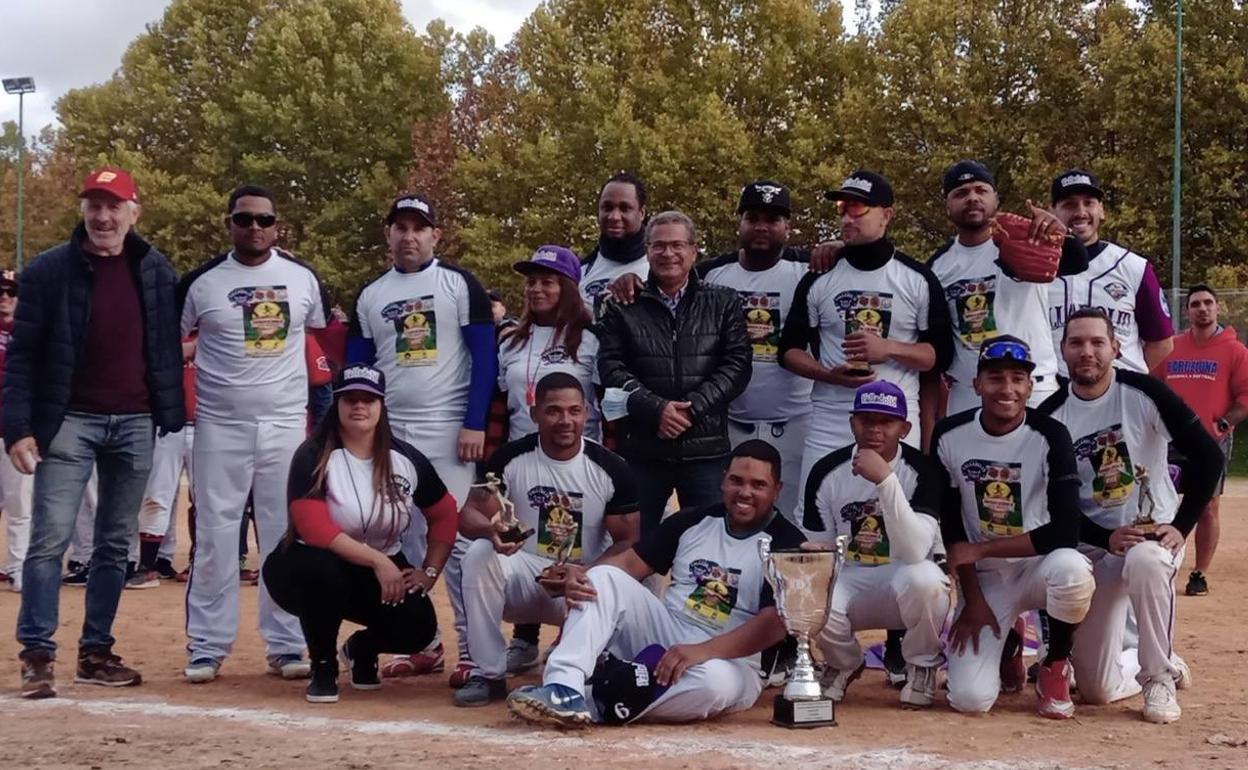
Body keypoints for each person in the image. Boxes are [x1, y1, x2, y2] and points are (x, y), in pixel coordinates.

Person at [6, 167, 185, 698]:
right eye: (94, 206)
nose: (103, 217)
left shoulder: (155, 270)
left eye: (114, 206)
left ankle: (95, 652)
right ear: (83, 210)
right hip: (69, 422)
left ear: (135, 212)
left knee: (114, 545)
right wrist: (17, 428)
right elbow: (22, 358)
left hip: (134, 421)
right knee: (48, 542)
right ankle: (37, 655)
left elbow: (164, 349)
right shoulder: (47, 272)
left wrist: (166, 412)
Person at [506, 440, 805, 727]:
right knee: (602, 577)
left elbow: (772, 625)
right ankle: (564, 688)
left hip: (730, 659)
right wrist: (579, 574)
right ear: (723, 480)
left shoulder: (788, 544)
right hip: (666, 631)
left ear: (777, 490)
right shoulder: (692, 521)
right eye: (737, 481)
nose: (744, 492)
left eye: (758, 485)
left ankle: (595, 700)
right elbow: (628, 565)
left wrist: (702, 650)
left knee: (715, 686)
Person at [1040, 308, 1220, 723]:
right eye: (1077, 343)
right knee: (1097, 691)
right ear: (1063, 351)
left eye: (1097, 342)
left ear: (1116, 349)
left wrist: (1181, 524)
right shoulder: (1050, 418)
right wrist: (1104, 539)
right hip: (1094, 549)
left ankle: (1158, 677)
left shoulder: (1144, 392)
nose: (1087, 352)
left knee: (1148, 560)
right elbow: (1053, 505)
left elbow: (1208, 457)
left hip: (1149, 536)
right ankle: (1161, 661)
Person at [178, 184, 328, 683]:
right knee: (216, 538)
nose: (255, 228)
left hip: (286, 424)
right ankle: (206, 645)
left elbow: (316, 344)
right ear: (230, 224)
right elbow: (175, 343)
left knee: (285, 536)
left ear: (276, 225)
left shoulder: (303, 278)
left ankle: (286, 644)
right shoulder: (201, 283)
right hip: (221, 425)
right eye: (245, 220)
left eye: (264, 220)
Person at [347, 193, 496, 685]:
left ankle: (473, 651)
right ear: (387, 235)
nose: (409, 236)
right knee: (404, 541)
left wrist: (475, 421)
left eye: (419, 228)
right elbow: (358, 370)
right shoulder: (370, 295)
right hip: (391, 431)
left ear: (436, 235)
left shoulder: (458, 284)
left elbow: (484, 359)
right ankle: (424, 642)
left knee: (451, 541)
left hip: (447, 427)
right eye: (400, 227)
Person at [264, 364, 458, 703]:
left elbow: (444, 515)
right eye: (350, 399)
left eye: (368, 399)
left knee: (419, 626)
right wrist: (378, 561)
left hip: (376, 567)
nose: (359, 406)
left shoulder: (406, 458)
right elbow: (314, 528)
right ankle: (322, 665)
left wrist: (428, 573)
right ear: (336, 404)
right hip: (307, 566)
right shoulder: (314, 454)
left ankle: (361, 648)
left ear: (382, 406)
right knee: (324, 571)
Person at [931, 336, 1094, 719]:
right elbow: (953, 527)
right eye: (995, 378)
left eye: (1018, 379)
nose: (1007, 389)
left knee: (1073, 570)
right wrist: (972, 599)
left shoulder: (1051, 435)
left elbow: (1066, 531)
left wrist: (983, 549)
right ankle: (1008, 646)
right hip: (987, 580)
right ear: (976, 385)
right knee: (970, 700)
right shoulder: (949, 435)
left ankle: (1055, 662)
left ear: (1030, 385)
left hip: (1038, 564)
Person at [454, 372, 640, 706]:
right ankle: (488, 674)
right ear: (534, 411)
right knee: (479, 554)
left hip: (581, 583)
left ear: (587, 412)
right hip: (526, 573)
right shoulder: (509, 458)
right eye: (554, 411)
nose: (565, 420)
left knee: (638, 575)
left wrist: (585, 573)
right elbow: (468, 515)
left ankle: (587, 660)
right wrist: (490, 530)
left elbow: (628, 542)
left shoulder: (612, 468)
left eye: (574, 411)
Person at [780, 170, 952, 521]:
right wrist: (830, 375)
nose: (846, 216)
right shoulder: (820, 277)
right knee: (815, 517)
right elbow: (789, 350)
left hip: (895, 421)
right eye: (843, 208)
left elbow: (939, 356)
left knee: (898, 515)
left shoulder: (916, 277)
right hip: (831, 419)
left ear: (886, 215)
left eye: (858, 208)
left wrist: (888, 349)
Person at [597, 210, 752, 535]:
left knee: (708, 545)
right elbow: (611, 369)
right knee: (635, 544)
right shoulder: (622, 305)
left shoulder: (723, 302)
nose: (668, 253)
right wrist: (656, 409)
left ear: (694, 251)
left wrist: (692, 409)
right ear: (648, 251)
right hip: (642, 450)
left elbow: (737, 366)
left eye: (678, 245)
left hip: (705, 451)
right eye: (659, 246)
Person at [803, 380, 949, 708]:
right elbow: (820, 551)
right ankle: (844, 662)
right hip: (851, 575)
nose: (874, 429)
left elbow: (914, 552)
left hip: (904, 577)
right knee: (810, 588)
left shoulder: (923, 470)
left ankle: (922, 663)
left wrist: (885, 481)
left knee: (926, 580)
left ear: (904, 427)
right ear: (852, 422)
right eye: (866, 419)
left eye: (885, 421)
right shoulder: (826, 471)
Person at [924, 160, 1089, 424]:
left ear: (995, 198)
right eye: (961, 193)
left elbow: (1079, 261)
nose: (972, 198)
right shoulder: (937, 266)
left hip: (1033, 388)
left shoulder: (1026, 236)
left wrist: (1060, 232)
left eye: (981, 190)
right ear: (947, 205)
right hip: (970, 391)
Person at [1153, 284, 1248, 596]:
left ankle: (1199, 573)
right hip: (1168, 441)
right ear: (1187, 311)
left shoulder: (1234, 350)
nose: (1202, 309)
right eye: (1195, 304)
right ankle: (1158, 562)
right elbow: (1152, 386)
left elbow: (1245, 395)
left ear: (1218, 308)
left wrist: (1224, 422)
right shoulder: (1172, 347)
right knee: (1157, 502)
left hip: (1210, 441)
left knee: (1207, 507)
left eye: (1208, 303)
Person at [1046, 169, 1173, 373]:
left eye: (1089, 202)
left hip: (1122, 396)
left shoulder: (1133, 267)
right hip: (1056, 395)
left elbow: (1162, 343)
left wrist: (1124, 380)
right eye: (1069, 204)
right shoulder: (1034, 270)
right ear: (1052, 211)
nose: (1080, 212)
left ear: (1101, 210)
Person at [497, 246, 602, 442]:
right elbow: (499, 408)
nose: (536, 289)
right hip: (520, 457)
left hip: (579, 459)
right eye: (531, 282)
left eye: (547, 282)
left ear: (568, 289)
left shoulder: (592, 339)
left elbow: (609, 409)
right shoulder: (510, 343)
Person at [125, 336, 199, 587]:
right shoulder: (165, 335)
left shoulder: (218, 331)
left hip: (209, 426)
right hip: (169, 426)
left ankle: (201, 563)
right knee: (157, 495)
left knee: (207, 500)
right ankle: (148, 565)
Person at [0, 269, 32, 593]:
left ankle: (18, 566)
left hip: (15, 432)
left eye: (11, 293)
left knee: (21, 504)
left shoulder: (29, 332)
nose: (5, 299)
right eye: (0, 294)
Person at [579, 172, 650, 318]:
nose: (614, 217)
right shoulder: (580, 272)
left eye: (624, 208)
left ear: (641, 213)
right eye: (607, 207)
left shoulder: (660, 271)